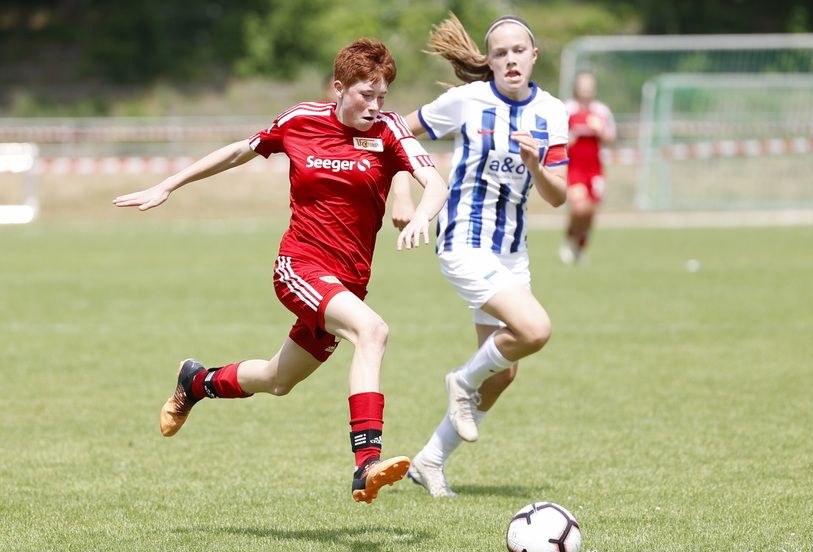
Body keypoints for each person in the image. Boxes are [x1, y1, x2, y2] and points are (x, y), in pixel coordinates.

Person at [112, 38, 448, 504]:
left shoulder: (389, 130)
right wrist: (168, 184)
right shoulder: (300, 120)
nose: (375, 106)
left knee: (277, 379)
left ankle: (196, 382)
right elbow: (238, 152)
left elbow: (434, 180)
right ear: (339, 88)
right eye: (365, 95)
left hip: (349, 282)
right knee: (372, 332)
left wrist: (423, 216)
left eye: (382, 96)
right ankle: (366, 463)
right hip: (300, 266)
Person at [390, 13, 568, 497]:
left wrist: (536, 164)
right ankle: (460, 380)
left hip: (512, 251)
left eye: (519, 50)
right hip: (464, 240)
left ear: (534, 56)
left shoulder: (552, 112)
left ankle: (430, 460)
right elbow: (396, 136)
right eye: (501, 52)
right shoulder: (467, 101)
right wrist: (401, 194)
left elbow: (558, 195)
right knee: (535, 330)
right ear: (488, 62)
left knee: (504, 372)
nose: (510, 59)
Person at [560, 71, 616, 265]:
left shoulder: (601, 111)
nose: (587, 89)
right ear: (576, 86)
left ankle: (580, 247)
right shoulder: (567, 109)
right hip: (574, 167)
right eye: (583, 84)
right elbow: (557, 140)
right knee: (579, 208)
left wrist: (601, 131)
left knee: (590, 212)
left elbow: (611, 139)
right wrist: (568, 139)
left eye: (590, 85)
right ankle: (569, 240)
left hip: (595, 169)